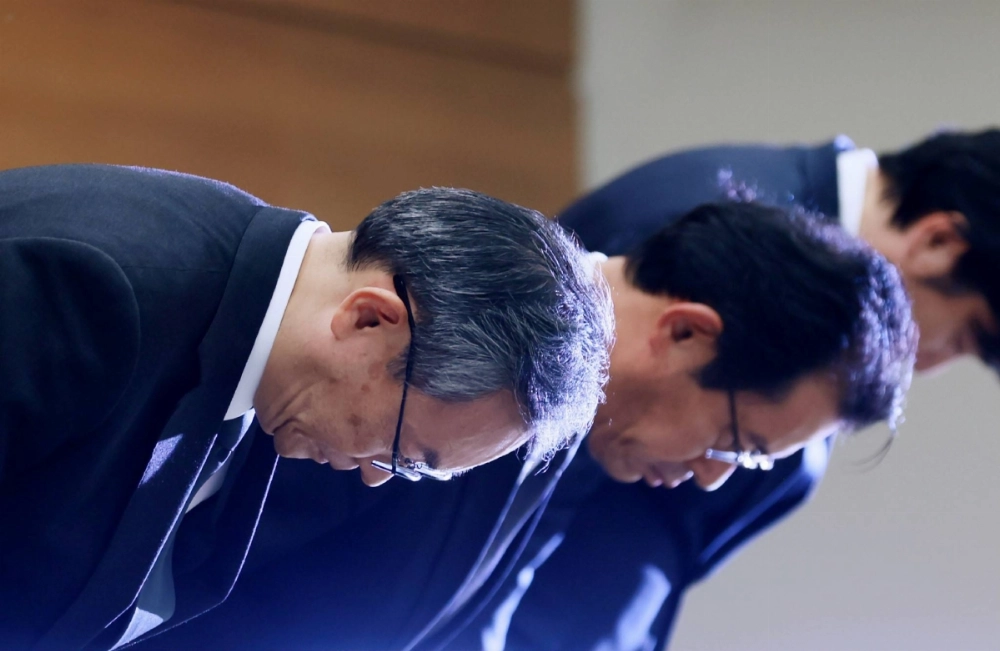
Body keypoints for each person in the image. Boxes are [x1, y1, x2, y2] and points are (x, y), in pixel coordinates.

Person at [136, 200, 916, 650]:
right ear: (686, 332)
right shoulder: (471, 345)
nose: (710, 477)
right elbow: (189, 552)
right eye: (732, 445)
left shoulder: (577, 431)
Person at [0, 163, 614, 650]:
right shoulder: (97, 283)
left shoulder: (253, 351)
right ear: (370, 319)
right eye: (404, 454)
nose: (376, 475)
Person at [462, 128, 1000, 650]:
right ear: (937, 241)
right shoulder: (708, 234)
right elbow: (518, 506)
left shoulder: (832, 320)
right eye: (964, 336)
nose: (931, 365)